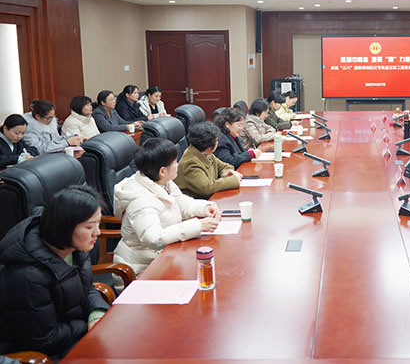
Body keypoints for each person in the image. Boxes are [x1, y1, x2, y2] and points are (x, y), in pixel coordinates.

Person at [0, 185, 109, 361]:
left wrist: (96, 313)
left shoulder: (76, 248)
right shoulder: (28, 276)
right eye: (90, 227)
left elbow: (88, 288)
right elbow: (45, 340)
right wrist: (87, 324)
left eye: (98, 223)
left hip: (74, 334)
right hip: (48, 352)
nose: (98, 232)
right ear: (65, 227)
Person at [113, 138, 221, 275]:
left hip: (166, 256)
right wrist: (198, 226)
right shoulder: (141, 201)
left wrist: (206, 207)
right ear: (163, 171)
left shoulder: (161, 182)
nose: (178, 165)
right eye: (175, 162)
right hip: (143, 269)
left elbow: (183, 203)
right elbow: (154, 238)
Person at [173, 121, 241, 199]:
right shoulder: (190, 163)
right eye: (216, 140)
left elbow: (225, 166)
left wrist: (225, 173)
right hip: (197, 202)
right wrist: (233, 180)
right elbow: (207, 188)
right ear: (208, 145)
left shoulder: (204, 152)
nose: (218, 142)